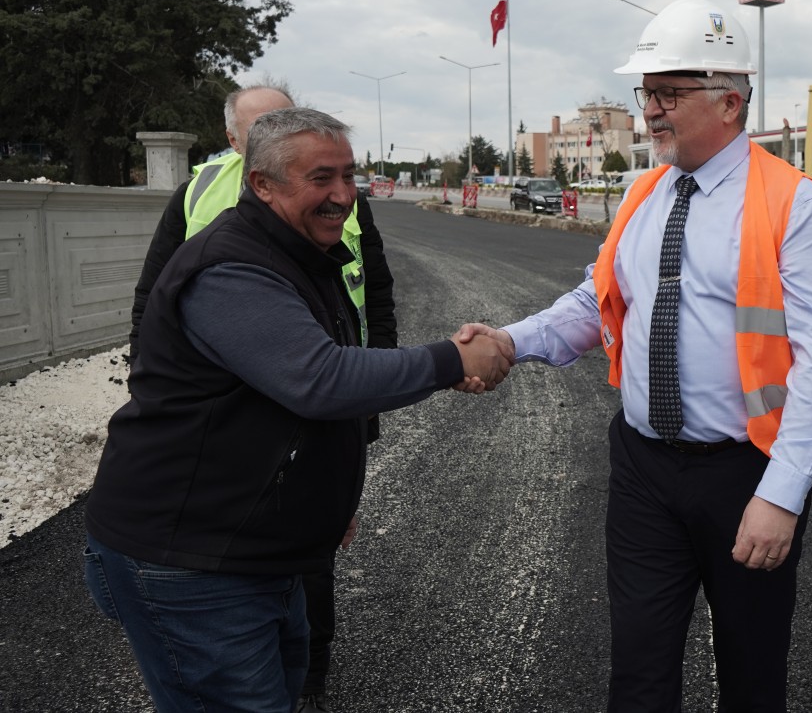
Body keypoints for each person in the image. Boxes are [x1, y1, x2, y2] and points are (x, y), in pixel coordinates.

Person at [466, 0, 812, 711]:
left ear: (730, 102)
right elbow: (597, 299)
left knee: (752, 677)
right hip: (644, 470)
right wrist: (509, 342)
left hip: (745, 473)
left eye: (669, 93)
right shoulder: (643, 193)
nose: (649, 110)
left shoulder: (796, 208)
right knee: (638, 677)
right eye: (646, 92)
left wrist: (782, 494)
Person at [84, 108, 511, 713]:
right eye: (321, 178)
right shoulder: (230, 269)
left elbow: (315, 390)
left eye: (349, 175)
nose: (343, 195)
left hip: (254, 550)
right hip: (191, 562)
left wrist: (324, 502)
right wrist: (453, 359)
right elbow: (322, 379)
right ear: (262, 184)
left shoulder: (303, 252)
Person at [128, 82, 396, 713]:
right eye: (264, 130)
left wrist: (368, 393)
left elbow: (374, 295)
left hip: (327, 400)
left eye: (347, 176)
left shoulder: (330, 208)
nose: (340, 191)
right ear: (244, 155)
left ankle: (309, 679)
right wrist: (156, 388)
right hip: (239, 426)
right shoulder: (212, 219)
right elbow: (152, 296)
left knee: (309, 557)